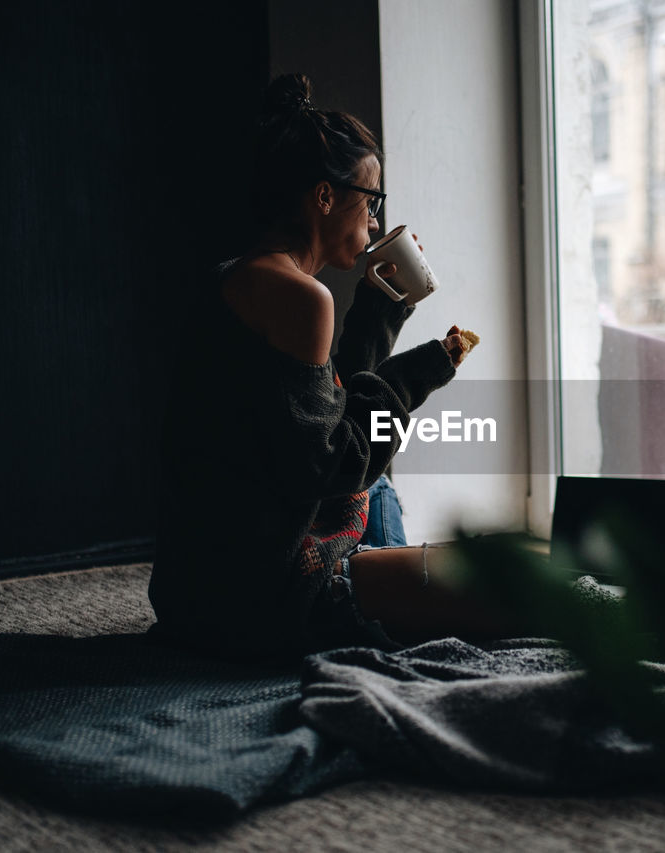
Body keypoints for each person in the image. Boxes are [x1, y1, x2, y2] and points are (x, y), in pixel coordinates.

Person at [147, 73, 508, 662]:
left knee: (384, 495)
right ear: (323, 197)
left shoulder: (246, 276)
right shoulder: (300, 297)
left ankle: (392, 606)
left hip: (196, 592)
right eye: (372, 199)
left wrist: (379, 310)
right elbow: (333, 466)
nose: (374, 221)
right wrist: (420, 374)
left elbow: (318, 423)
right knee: (498, 582)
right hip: (256, 602)